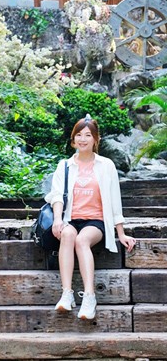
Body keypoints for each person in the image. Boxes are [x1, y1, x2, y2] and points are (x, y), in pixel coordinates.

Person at [48, 116, 137, 320]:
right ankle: (67, 294)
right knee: (68, 236)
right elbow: (56, 196)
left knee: (81, 240)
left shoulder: (106, 165)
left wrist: (120, 232)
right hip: (71, 218)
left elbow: (115, 200)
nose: (83, 139)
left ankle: (89, 297)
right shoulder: (65, 166)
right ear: (73, 139)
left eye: (88, 135)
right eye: (78, 135)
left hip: (95, 221)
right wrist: (57, 220)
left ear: (96, 139)